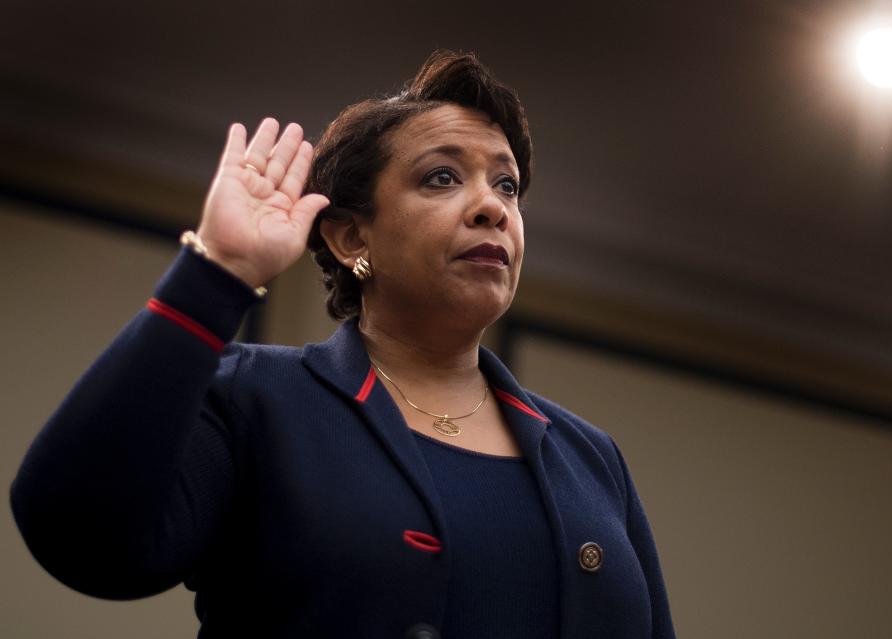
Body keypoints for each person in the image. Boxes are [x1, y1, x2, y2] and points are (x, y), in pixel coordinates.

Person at [10, 50, 675, 638]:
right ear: (351, 239)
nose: (492, 206)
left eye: (506, 184)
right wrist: (216, 271)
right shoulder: (258, 398)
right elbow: (77, 530)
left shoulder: (590, 458)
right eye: (442, 177)